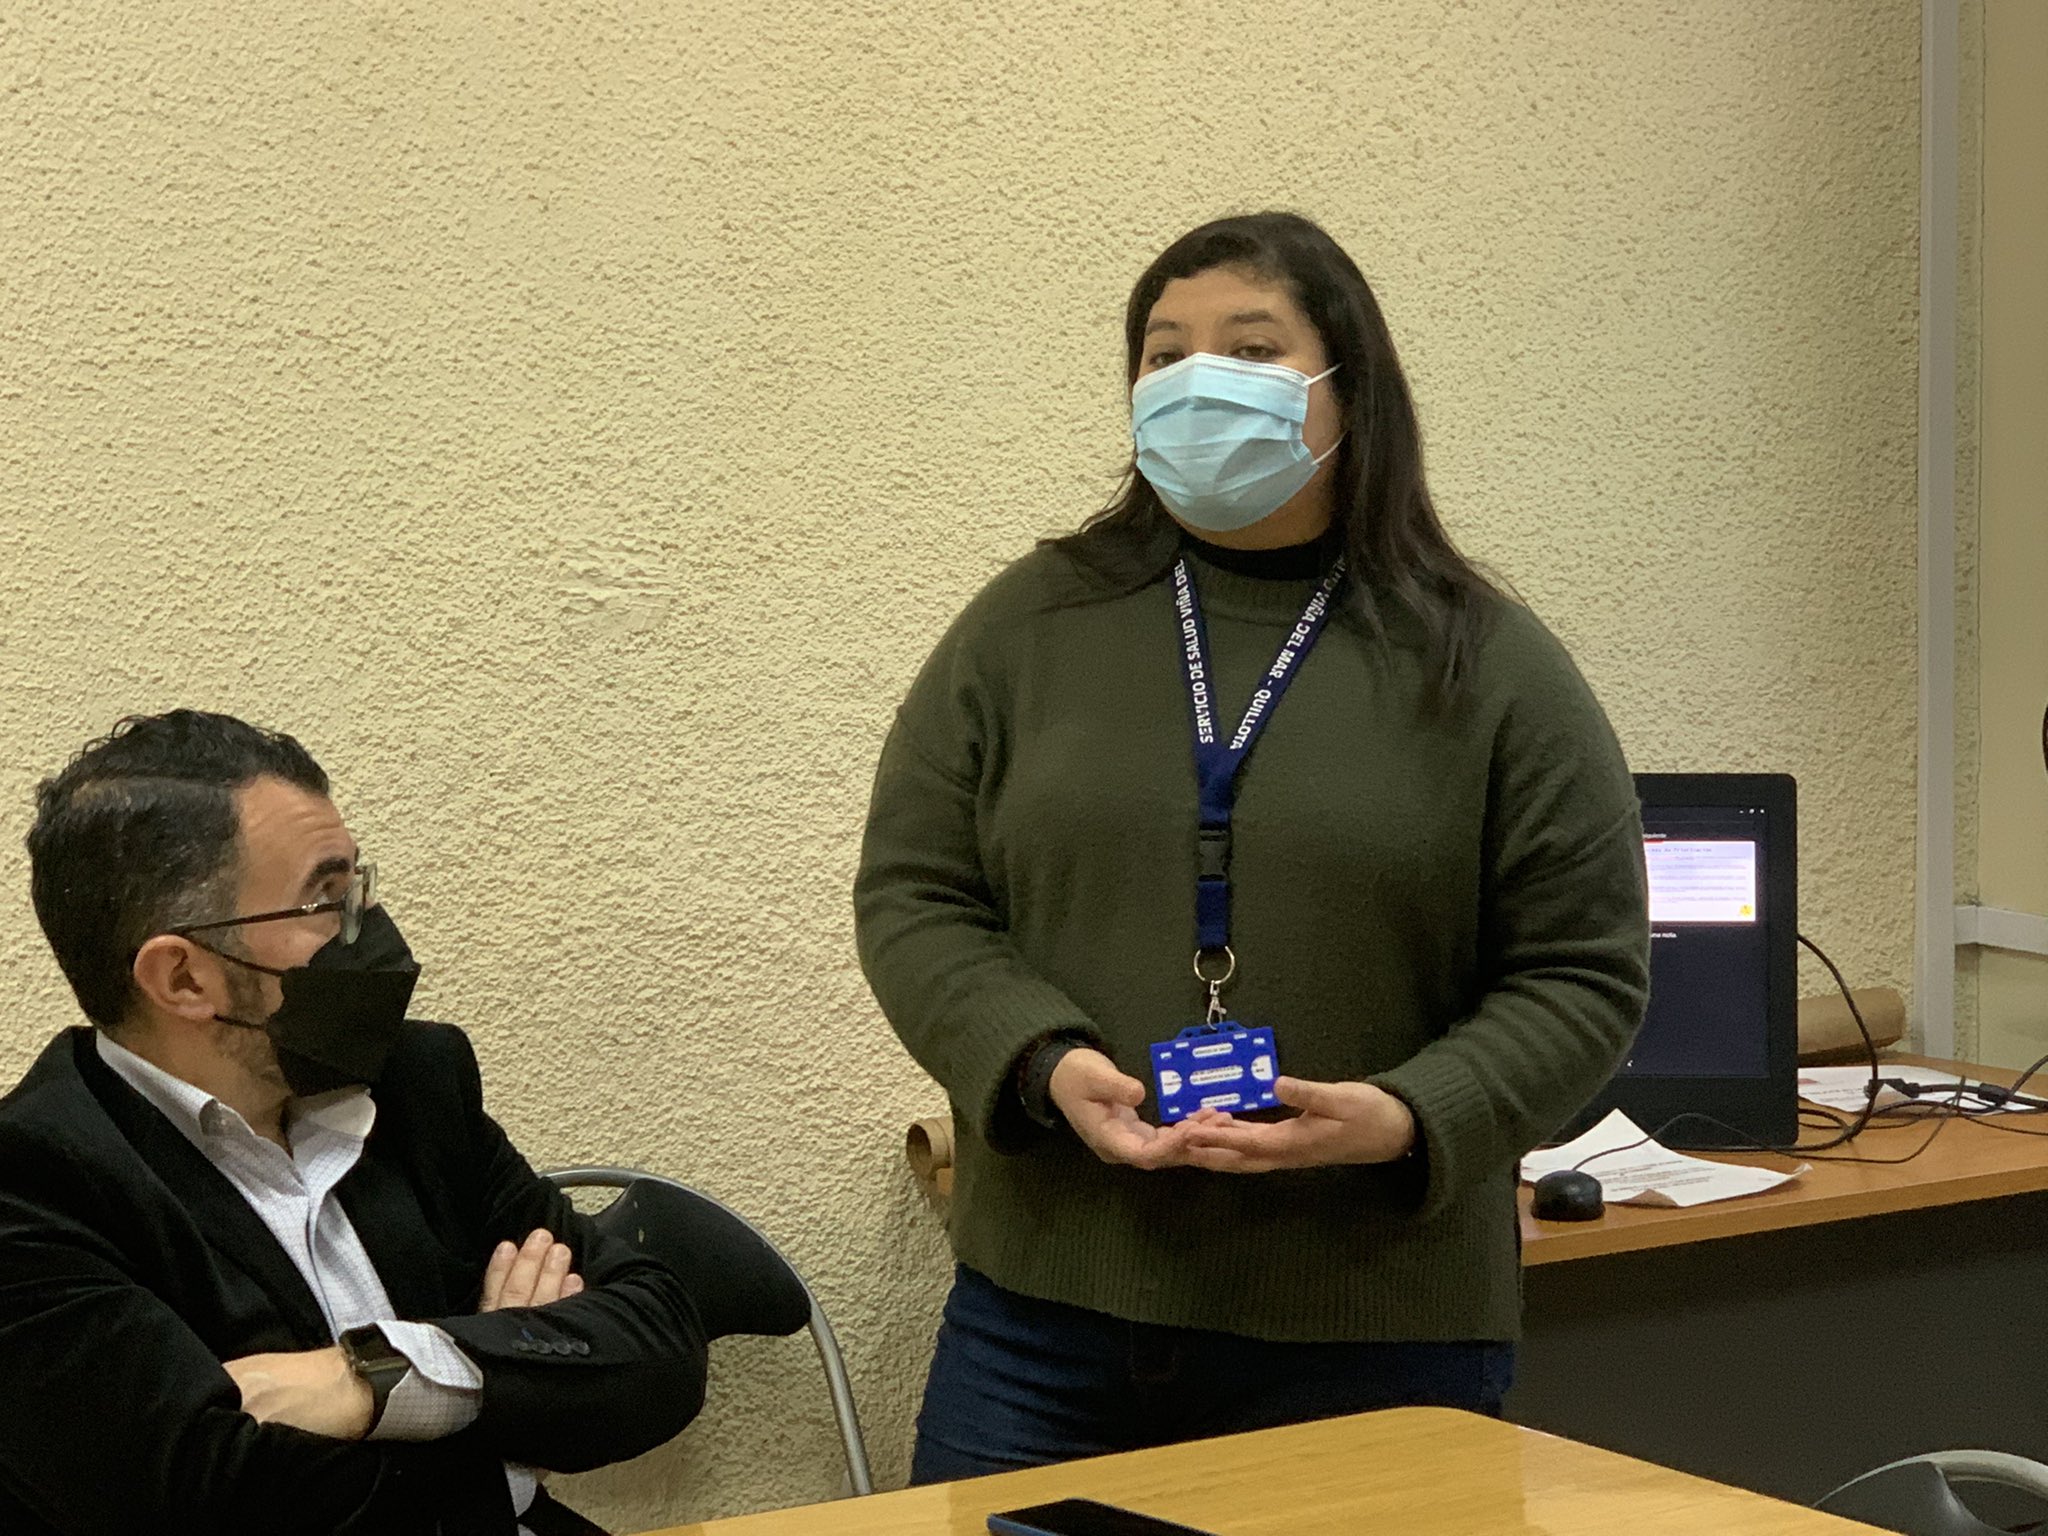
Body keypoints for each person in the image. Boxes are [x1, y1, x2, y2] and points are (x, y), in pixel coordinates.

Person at [855, 211, 1651, 1481]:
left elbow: (1583, 974)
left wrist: (1406, 1116)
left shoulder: (1484, 663)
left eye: (1249, 347)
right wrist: (1041, 1062)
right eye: (1162, 354)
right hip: (1041, 1330)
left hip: (1373, 1336)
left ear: (1348, 389)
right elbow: (914, 896)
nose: (1196, 382)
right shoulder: (1030, 624)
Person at [0, 710, 710, 1536]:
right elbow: (214, 1505)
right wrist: (507, 1407)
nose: (367, 929)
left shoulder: (416, 1083)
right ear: (185, 979)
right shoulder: (31, 1185)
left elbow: (662, 1343)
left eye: (360, 887)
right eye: (327, 900)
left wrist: (374, 1378)